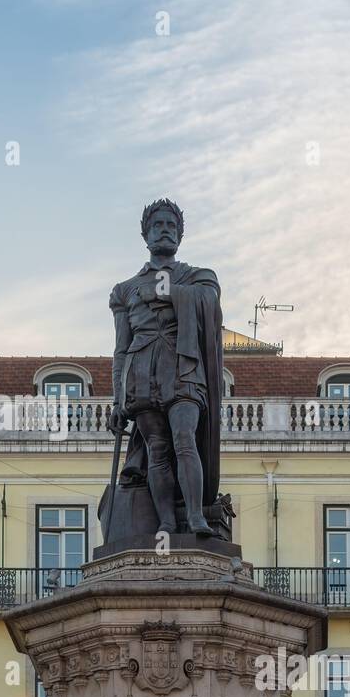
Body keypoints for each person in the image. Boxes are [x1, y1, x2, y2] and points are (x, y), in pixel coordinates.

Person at [107, 198, 223, 537]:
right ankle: (167, 523)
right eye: (158, 225)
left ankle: (196, 515)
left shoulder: (198, 277)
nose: (165, 231)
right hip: (142, 371)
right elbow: (120, 348)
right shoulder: (124, 290)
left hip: (183, 366)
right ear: (145, 234)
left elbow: (210, 304)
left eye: (172, 226)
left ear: (181, 235)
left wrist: (168, 291)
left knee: (185, 438)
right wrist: (117, 400)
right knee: (157, 448)